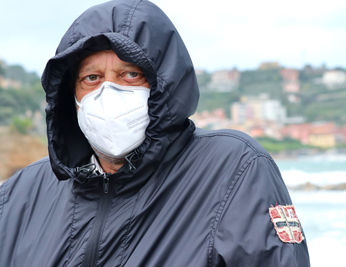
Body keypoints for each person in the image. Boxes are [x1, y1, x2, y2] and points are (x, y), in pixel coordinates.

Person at [0, 0, 310, 266]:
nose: (109, 91)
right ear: (72, 96)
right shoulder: (21, 195)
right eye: (92, 78)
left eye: (130, 75)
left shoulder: (234, 169)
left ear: (164, 83)